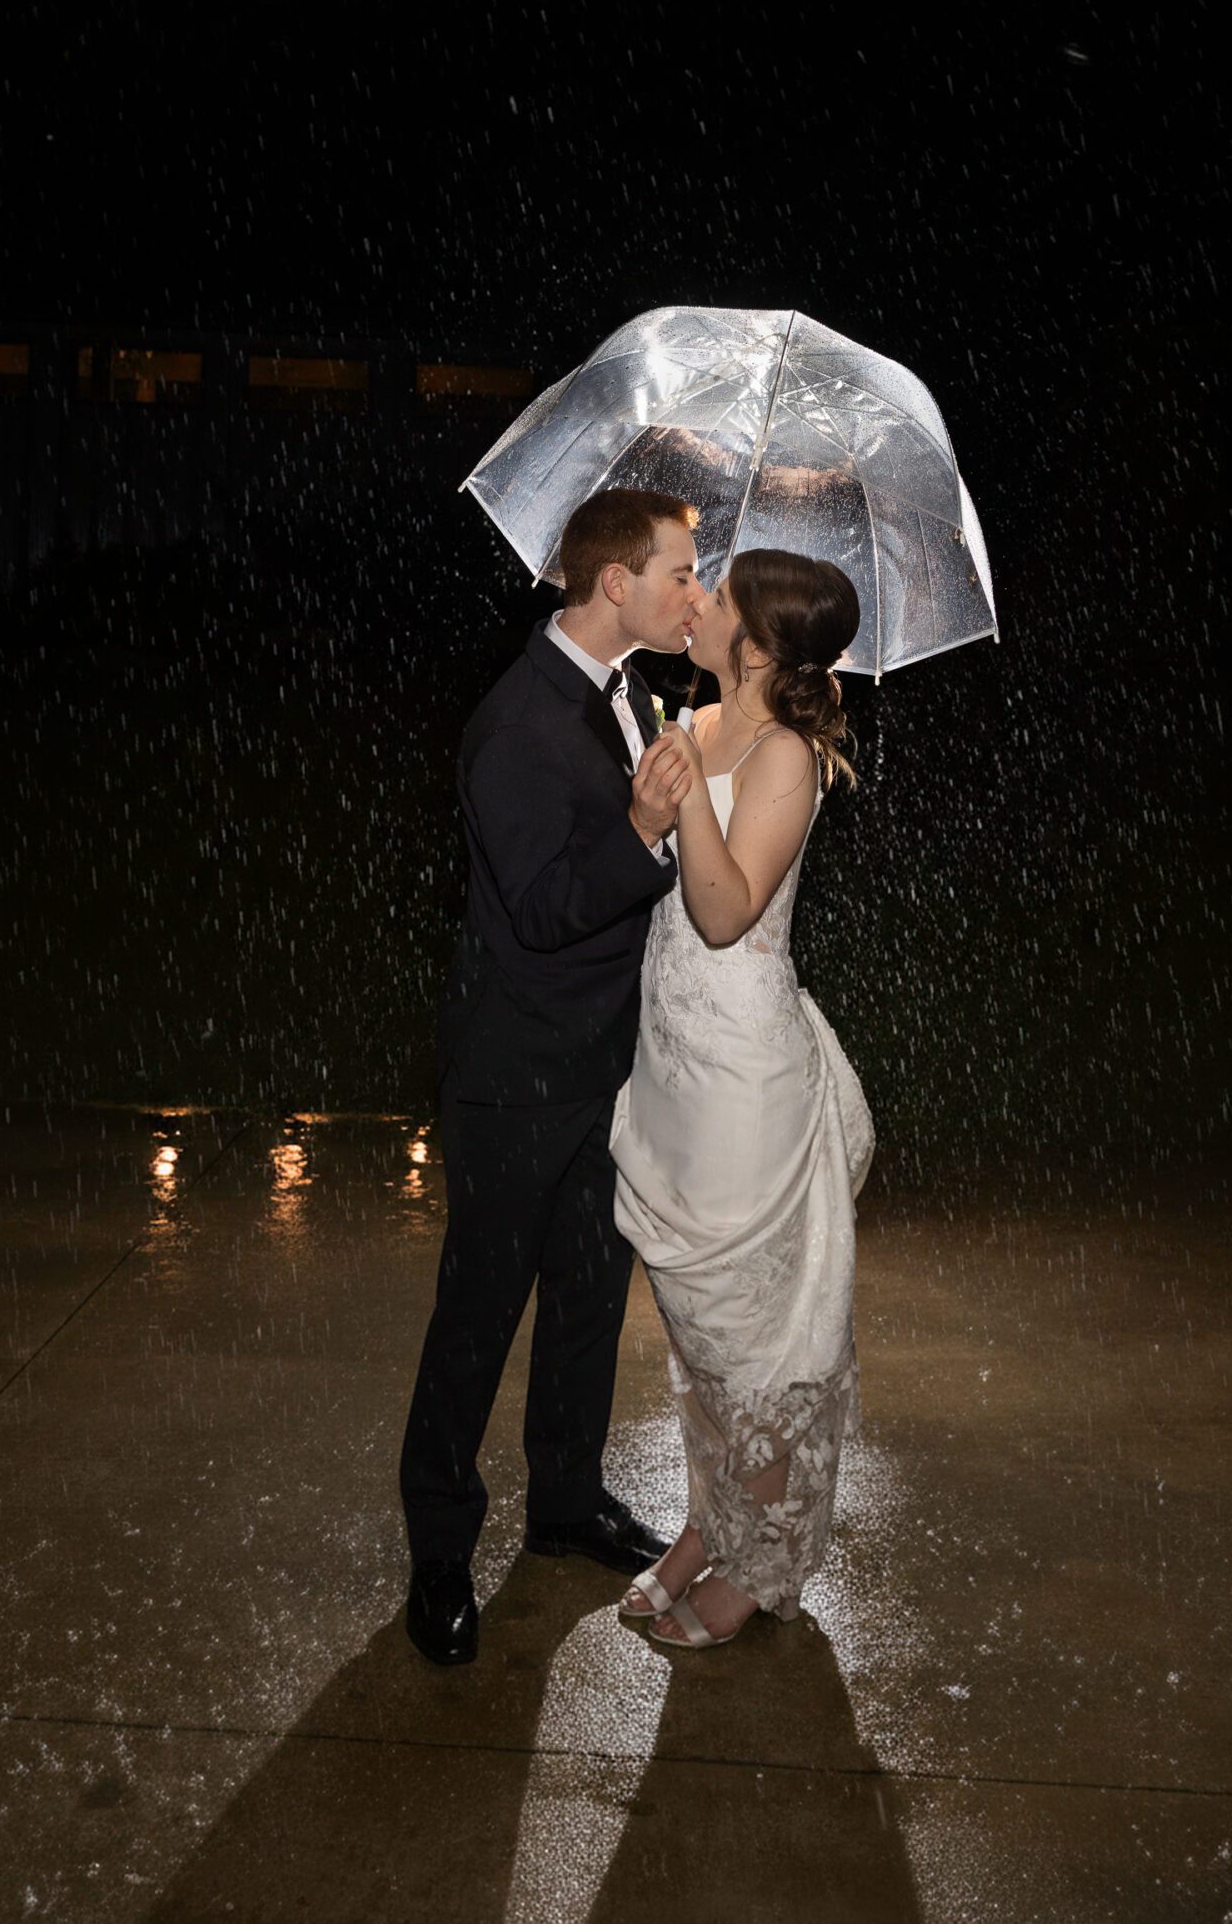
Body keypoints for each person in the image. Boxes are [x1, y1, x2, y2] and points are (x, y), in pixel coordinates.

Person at [399, 486, 701, 1665]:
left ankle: (565, 1501)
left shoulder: (633, 691)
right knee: (478, 1313)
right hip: (517, 1068)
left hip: (608, 1062)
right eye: (678, 570)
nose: (694, 591)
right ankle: (437, 1551)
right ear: (614, 582)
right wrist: (636, 829)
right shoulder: (515, 724)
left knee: (587, 1291)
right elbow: (540, 908)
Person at [611, 548, 875, 1649]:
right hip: (672, 1060)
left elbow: (722, 910)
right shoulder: (706, 722)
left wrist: (685, 790)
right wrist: (656, 783)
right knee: (693, 1329)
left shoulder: (784, 756)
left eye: (714, 599)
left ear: (756, 646)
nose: (695, 603)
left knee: (747, 1340)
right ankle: (704, 1523)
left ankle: (758, 1569)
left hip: (741, 1081)